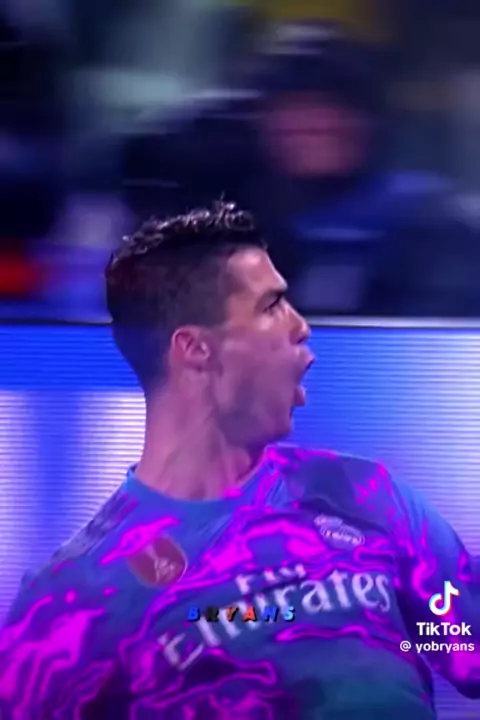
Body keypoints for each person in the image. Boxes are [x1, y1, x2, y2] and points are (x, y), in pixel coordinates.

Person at [0, 201, 479, 720]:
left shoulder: (365, 496)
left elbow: (465, 645)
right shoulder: (77, 597)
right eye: (272, 306)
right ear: (196, 350)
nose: (301, 325)